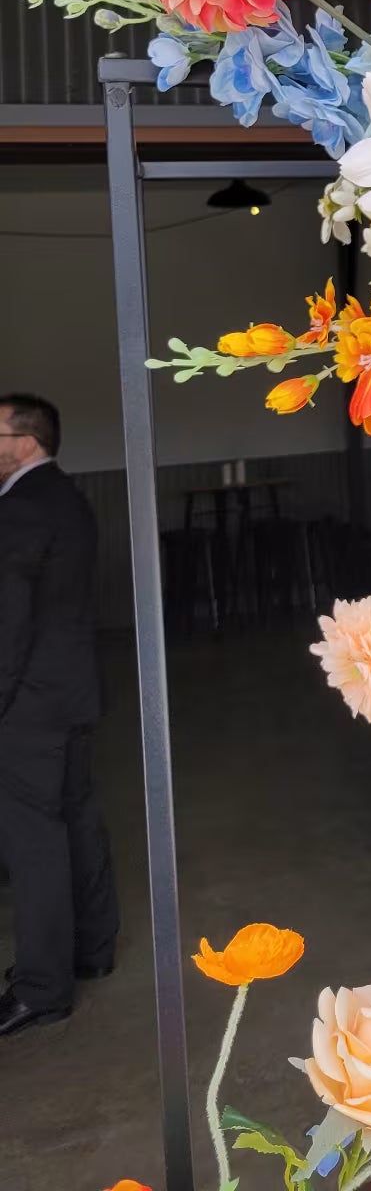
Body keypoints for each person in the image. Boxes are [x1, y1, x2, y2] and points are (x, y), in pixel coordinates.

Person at [0, 393, 118, 1036]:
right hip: (72, 692)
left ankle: (43, 987)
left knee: (34, 842)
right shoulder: (66, 498)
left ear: (26, 441)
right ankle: (92, 951)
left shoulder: (19, 509)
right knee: (77, 819)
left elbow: (9, 622)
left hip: (29, 704)